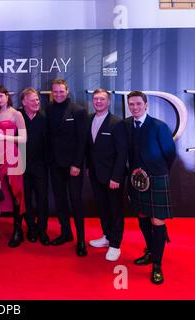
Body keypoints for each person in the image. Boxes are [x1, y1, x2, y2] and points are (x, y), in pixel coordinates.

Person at [125, 90, 176, 285]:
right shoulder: (127, 125)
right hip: (136, 179)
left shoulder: (159, 126)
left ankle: (157, 265)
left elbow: (170, 154)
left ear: (146, 105)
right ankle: (150, 251)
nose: (135, 107)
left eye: (138, 104)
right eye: (131, 104)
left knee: (157, 221)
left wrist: (157, 173)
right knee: (143, 216)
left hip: (156, 178)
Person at [46, 78, 88, 257]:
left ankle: (81, 240)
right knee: (60, 200)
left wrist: (77, 164)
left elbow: (82, 140)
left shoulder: (78, 111)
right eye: (55, 92)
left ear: (67, 90)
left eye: (61, 91)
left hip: (73, 166)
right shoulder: (48, 109)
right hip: (54, 164)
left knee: (76, 202)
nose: (58, 94)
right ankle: (66, 233)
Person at [86, 88, 127, 261]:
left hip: (112, 177)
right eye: (95, 99)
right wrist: (89, 167)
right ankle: (107, 237)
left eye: (102, 99)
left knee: (115, 210)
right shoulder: (89, 119)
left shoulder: (117, 123)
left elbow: (122, 153)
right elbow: (90, 148)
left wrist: (116, 177)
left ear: (108, 102)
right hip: (96, 174)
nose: (98, 102)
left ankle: (115, 245)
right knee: (102, 208)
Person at [0, 85, 27, 248]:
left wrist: (4, 136)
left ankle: (18, 231)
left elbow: (24, 139)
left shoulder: (16, 114)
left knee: (16, 192)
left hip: (12, 156)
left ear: (7, 96)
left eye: (1, 97)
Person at [20, 87, 50, 246]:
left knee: (42, 199)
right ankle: (31, 228)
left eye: (37, 100)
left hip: (40, 166)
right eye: (32, 100)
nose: (37, 102)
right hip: (22, 166)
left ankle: (42, 230)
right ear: (24, 102)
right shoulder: (18, 117)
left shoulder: (45, 117)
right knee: (27, 199)